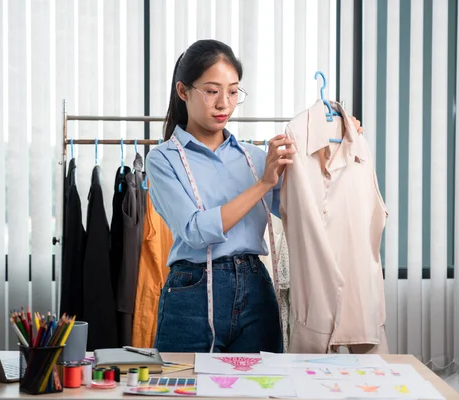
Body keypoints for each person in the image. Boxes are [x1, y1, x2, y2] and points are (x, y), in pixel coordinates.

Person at [145, 39, 362, 353]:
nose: (224, 104)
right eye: (211, 90)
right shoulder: (163, 159)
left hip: (255, 288)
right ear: (183, 91)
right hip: (192, 294)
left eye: (233, 91)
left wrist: (340, 141)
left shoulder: (256, 157)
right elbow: (195, 231)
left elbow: (306, 212)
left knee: (260, 389)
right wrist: (262, 184)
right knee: (187, 390)